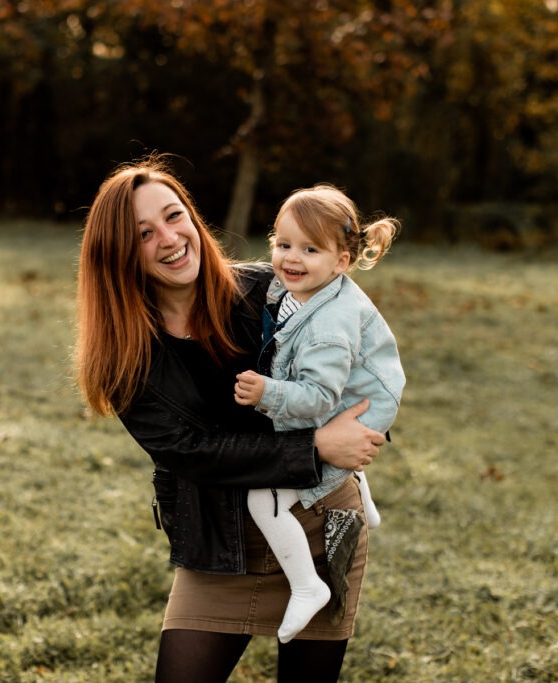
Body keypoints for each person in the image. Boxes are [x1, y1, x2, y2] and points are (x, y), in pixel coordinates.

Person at [74, 157, 387, 683]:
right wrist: (316, 447)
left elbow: (364, 362)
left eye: (175, 217)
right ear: (117, 254)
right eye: (143, 234)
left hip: (319, 522)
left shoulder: (276, 291)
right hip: (219, 542)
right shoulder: (122, 358)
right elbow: (194, 452)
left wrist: (358, 430)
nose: (170, 239)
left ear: (193, 218)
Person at [233, 184, 406, 644]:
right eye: (283, 244)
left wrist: (267, 392)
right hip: (366, 395)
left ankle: (308, 586)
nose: (292, 258)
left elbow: (318, 400)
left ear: (341, 261)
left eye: (310, 249)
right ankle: (361, 491)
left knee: (262, 500)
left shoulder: (328, 328)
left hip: (354, 408)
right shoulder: (311, 289)